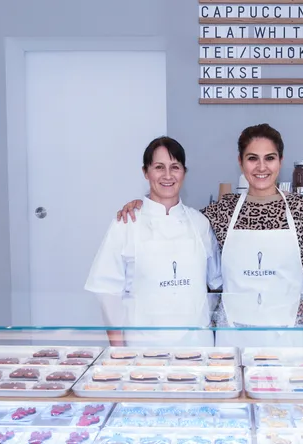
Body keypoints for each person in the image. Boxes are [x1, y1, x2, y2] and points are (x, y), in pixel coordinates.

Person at [118, 124, 303, 346]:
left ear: (280, 161)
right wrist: (147, 206)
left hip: (287, 338)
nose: (261, 167)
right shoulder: (223, 210)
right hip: (232, 337)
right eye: (252, 158)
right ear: (241, 163)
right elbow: (178, 223)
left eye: (269, 158)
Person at [87, 137, 221, 347]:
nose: (167, 175)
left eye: (174, 167)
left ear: (184, 172)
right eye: (159, 167)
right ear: (145, 172)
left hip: (197, 346)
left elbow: (217, 281)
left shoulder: (200, 223)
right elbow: (107, 292)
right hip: (143, 350)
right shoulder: (126, 222)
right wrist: (119, 352)